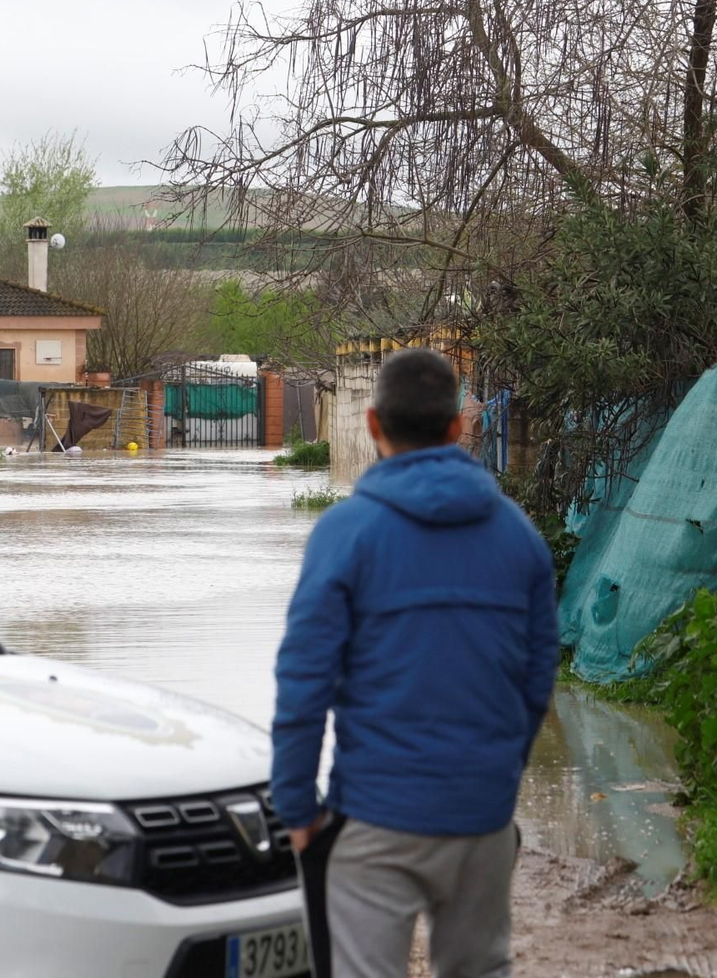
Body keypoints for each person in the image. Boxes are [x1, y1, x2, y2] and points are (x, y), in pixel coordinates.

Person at [271, 348, 556, 978]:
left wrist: (296, 811)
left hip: (376, 816)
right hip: (482, 821)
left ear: (372, 426)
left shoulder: (345, 533)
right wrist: (497, 779)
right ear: (457, 428)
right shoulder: (519, 537)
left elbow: (302, 685)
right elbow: (537, 680)